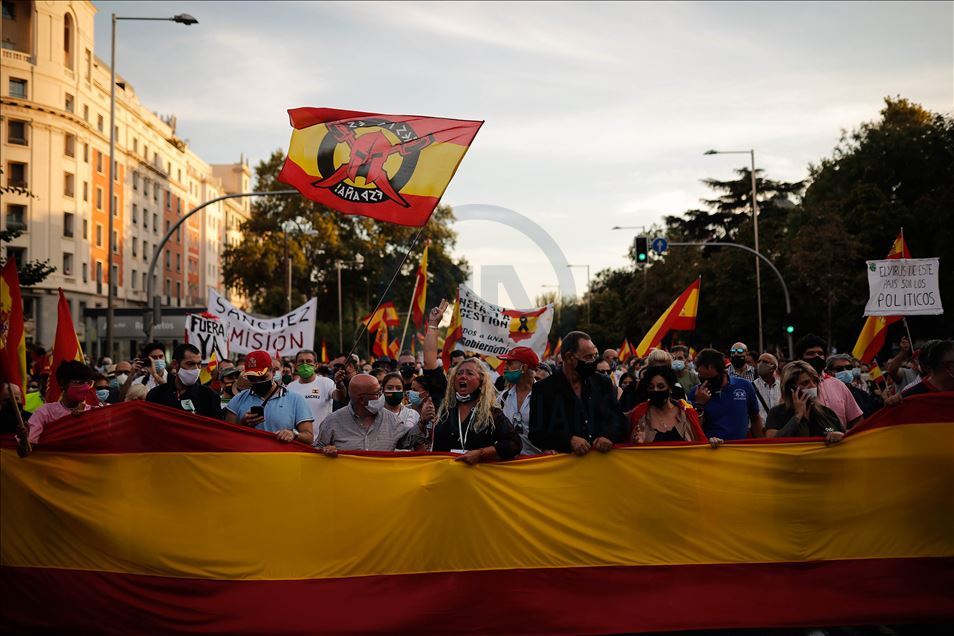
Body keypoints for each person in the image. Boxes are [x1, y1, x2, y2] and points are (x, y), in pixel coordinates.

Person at [420, 301, 522, 463]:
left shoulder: (491, 413)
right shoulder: (445, 404)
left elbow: (514, 443)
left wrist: (482, 453)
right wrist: (433, 324)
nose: (462, 377)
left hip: (475, 483)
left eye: (469, 373)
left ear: (481, 381)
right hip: (442, 480)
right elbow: (430, 364)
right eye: (459, 373)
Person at [529, 330, 625, 455]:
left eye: (594, 356)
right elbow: (536, 433)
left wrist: (608, 435)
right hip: (565, 468)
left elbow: (618, 418)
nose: (593, 362)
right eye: (588, 357)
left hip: (602, 464)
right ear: (569, 357)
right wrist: (569, 440)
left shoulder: (603, 383)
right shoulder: (543, 389)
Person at [316, 373, 423, 454]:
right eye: (377, 393)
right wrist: (324, 451)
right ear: (362, 399)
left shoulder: (391, 419)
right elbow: (314, 452)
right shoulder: (333, 421)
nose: (381, 396)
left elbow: (408, 441)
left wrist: (423, 421)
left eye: (380, 391)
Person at [224, 350, 314, 444]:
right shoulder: (237, 400)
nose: (258, 382)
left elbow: (309, 437)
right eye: (252, 378)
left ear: (273, 372)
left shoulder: (296, 400)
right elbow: (226, 435)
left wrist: (293, 434)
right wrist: (242, 424)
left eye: (262, 377)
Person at [689, 348, 764, 441]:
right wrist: (699, 405)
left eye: (711, 379)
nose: (706, 383)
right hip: (710, 450)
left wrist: (762, 443)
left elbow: (755, 419)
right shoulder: (696, 393)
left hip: (741, 450)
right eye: (702, 378)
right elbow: (693, 430)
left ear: (723, 372)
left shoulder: (744, 386)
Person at [765, 361, 845, 444]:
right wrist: (797, 416)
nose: (813, 386)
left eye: (815, 381)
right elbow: (773, 444)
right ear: (791, 388)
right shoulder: (776, 413)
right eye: (805, 383)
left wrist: (838, 435)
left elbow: (845, 437)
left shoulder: (827, 413)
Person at [795, 334, 863, 429]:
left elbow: (857, 420)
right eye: (810, 353)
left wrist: (846, 437)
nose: (817, 357)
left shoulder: (839, 385)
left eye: (820, 353)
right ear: (799, 358)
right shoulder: (793, 385)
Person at [627, 366, 710, 444]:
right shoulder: (639, 416)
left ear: (670, 388)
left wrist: (714, 443)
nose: (655, 390)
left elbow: (701, 444)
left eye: (661, 386)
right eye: (651, 387)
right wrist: (637, 443)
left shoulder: (687, 414)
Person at [146, 344, 223, 419]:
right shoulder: (156, 395)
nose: (196, 369)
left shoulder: (210, 396)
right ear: (175, 364)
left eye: (199, 364)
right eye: (190, 364)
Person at [26, 360, 95, 444]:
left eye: (88, 383)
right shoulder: (45, 413)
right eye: (79, 382)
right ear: (62, 384)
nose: (86, 388)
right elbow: (25, 451)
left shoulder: (94, 412)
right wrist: (24, 440)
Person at [497, 346, 541, 455]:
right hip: (510, 465)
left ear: (524, 367)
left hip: (539, 465)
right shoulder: (503, 397)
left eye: (509, 363)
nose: (505, 367)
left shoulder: (545, 396)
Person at [620, 348, 686, 411]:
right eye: (655, 369)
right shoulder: (635, 388)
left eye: (663, 370)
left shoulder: (678, 391)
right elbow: (624, 413)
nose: (659, 373)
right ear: (648, 369)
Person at [286, 349, 337, 430]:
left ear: (316, 365)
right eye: (301, 361)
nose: (305, 364)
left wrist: (340, 385)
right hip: (299, 439)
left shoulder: (327, 383)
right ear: (295, 366)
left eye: (309, 361)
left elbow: (339, 396)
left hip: (322, 440)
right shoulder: (290, 387)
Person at [752, 352, 782, 422]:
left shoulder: (782, 387)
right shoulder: (751, 387)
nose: (760, 364)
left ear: (773, 367)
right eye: (759, 361)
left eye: (764, 362)